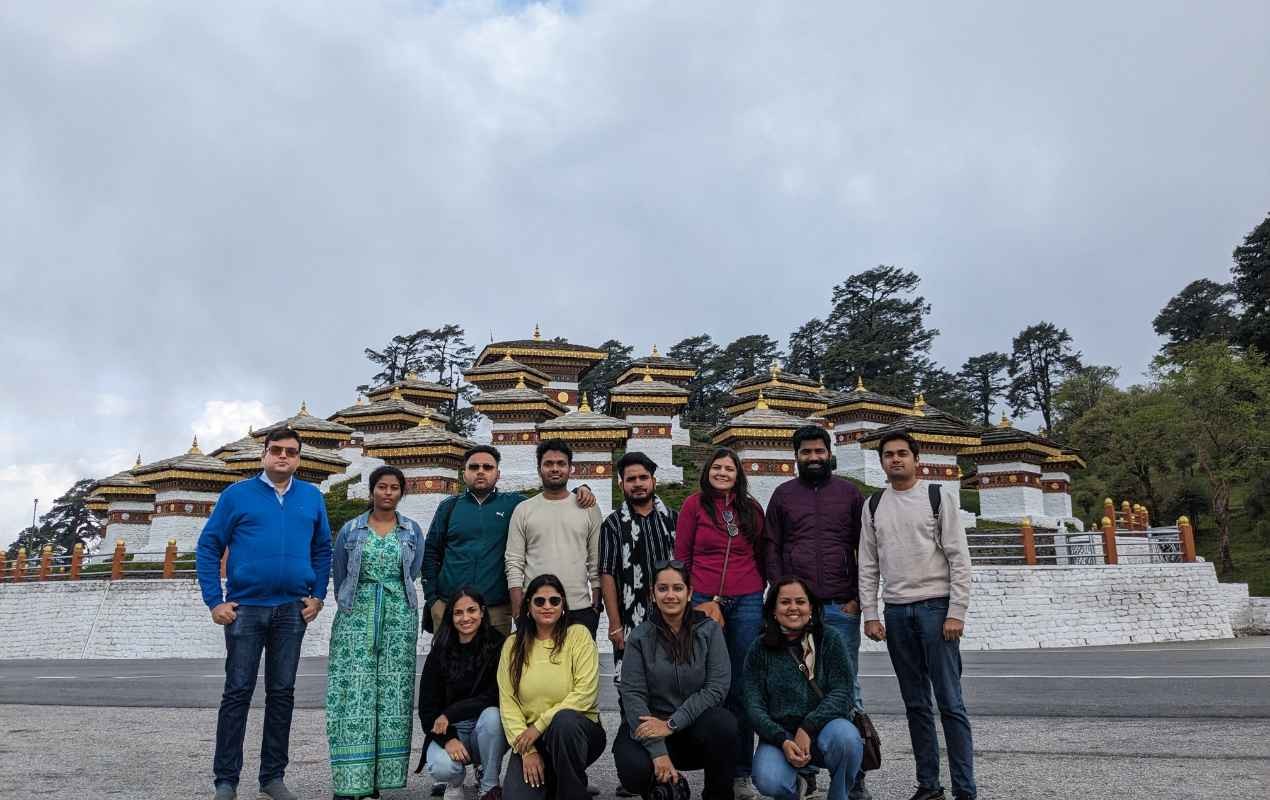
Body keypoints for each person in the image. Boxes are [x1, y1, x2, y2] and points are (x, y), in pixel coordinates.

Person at [195, 427, 332, 800]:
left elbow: (323, 550)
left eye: (291, 451)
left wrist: (318, 595)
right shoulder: (237, 496)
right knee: (237, 691)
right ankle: (226, 780)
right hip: (246, 608)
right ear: (264, 455)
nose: (283, 457)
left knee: (282, 693)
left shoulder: (311, 497)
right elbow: (208, 547)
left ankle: (272, 777)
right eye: (276, 450)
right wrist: (214, 600)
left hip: (292, 610)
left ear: (299, 458)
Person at [860, 432, 976, 800]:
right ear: (881, 462)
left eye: (902, 454)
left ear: (916, 459)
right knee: (915, 704)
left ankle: (964, 789)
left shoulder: (937, 497)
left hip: (936, 608)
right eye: (888, 455)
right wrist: (870, 613)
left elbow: (959, 558)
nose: (895, 460)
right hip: (896, 612)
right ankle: (929, 785)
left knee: (950, 703)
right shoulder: (874, 504)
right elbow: (867, 563)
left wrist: (956, 611)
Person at [765, 425, 871, 800]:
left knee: (848, 688)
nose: (813, 458)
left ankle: (854, 775)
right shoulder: (783, 496)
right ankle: (804, 769)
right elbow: (772, 548)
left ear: (829, 453)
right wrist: (783, 600)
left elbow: (866, 549)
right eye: (806, 452)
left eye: (818, 451)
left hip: (840, 607)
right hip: (796, 612)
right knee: (798, 686)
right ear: (796, 456)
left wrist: (859, 597)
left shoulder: (849, 494)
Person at [326, 465, 425, 799]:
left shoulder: (411, 530)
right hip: (356, 617)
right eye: (381, 487)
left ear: (401, 492)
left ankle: (377, 781)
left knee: (391, 696)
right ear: (371, 492)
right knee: (352, 695)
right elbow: (340, 574)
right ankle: (350, 781)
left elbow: (412, 571)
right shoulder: (350, 530)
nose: (387, 493)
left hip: (399, 618)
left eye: (394, 487)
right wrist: (356, 605)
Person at [423, 445, 595, 638]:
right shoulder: (449, 507)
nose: (480, 472)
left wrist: (581, 489)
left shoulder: (514, 505)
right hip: (451, 608)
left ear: (498, 474)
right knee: (447, 665)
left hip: (496, 610)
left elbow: (549, 500)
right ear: (464, 474)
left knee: (496, 666)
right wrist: (433, 600)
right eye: (474, 467)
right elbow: (430, 554)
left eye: (487, 468)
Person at [673, 447, 767, 799]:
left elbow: (760, 552)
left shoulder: (751, 508)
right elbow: (682, 555)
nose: (723, 472)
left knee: (740, 685)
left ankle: (741, 771)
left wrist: (755, 589)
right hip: (702, 598)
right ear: (707, 471)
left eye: (729, 468)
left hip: (746, 598)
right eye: (717, 467)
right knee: (706, 682)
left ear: (738, 474)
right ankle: (711, 765)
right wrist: (697, 596)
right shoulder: (694, 506)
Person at [612, 560, 737, 800]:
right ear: (653, 594)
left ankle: (717, 795)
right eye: (663, 588)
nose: (670, 595)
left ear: (689, 593)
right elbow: (633, 696)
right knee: (633, 769)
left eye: (678, 588)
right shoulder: (639, 637)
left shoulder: (709, 630)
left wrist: (671, 724)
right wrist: (658, 750)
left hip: (693, 728)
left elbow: (717, 689)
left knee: (725, 725)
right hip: (651, 726)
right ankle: (666, 790)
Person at [744, 578, 864, 800]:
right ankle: (795, 790)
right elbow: (753, 705)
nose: (793, 608)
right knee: (769, 780)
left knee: (848, 740)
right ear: (773, 609)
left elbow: (842, 691)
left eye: (800, 601)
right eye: (785, 602)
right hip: (781, 735)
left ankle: (839, 796)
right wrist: (781, 738)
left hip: (825, 728)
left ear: (811, 608)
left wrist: (808, 727)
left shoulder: (830, 639)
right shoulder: (759, 649)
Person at [498, 574, 606, 800]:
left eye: (554, 601)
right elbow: (508, 702)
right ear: (528, 605)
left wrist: (540, 724)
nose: (547, 606)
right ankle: (560, 780)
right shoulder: (512, 644)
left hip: (578, 733)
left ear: (563, 605)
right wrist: (528, 751)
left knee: (564, 721)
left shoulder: (578, 636)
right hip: (531, 739)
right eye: (539, 601)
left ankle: (572, 792)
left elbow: (585, 693)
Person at [417, 586, 509, 800]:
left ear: (482, 612)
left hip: (484, 730)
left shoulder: (498, 645)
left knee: (494, 716)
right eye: (458, 612)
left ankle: (489, 785)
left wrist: (451, 713)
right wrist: (448, 738)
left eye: (472, 610)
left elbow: (496, 695)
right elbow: (427, 708)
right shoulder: (440, 649)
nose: (465, 618)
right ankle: (454, 782)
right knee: (442, 767)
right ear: (451, 616)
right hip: (450, 729)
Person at [506, 440, 604, 637]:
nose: (555, 469)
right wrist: (518, 609)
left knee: (579, 668)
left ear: (570, 468)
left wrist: (595, 605)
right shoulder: (524, 510)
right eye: (548, 464)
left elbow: (596, 560)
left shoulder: (588, 508)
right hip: (536, 608)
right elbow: (514, 561)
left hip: (579, 608)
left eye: (561, 463)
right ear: (539, 468)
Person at [599, 451, 678, 674]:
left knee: (674, 680)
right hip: (630, 618)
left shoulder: (673, 520)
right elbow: (607, 574)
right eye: (630, 479)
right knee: (632, 684)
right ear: (621, 484)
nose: (638, 484)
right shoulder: (613, 525)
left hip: (673, 617)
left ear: (653, 481)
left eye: (643, 478)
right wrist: (614, 625)